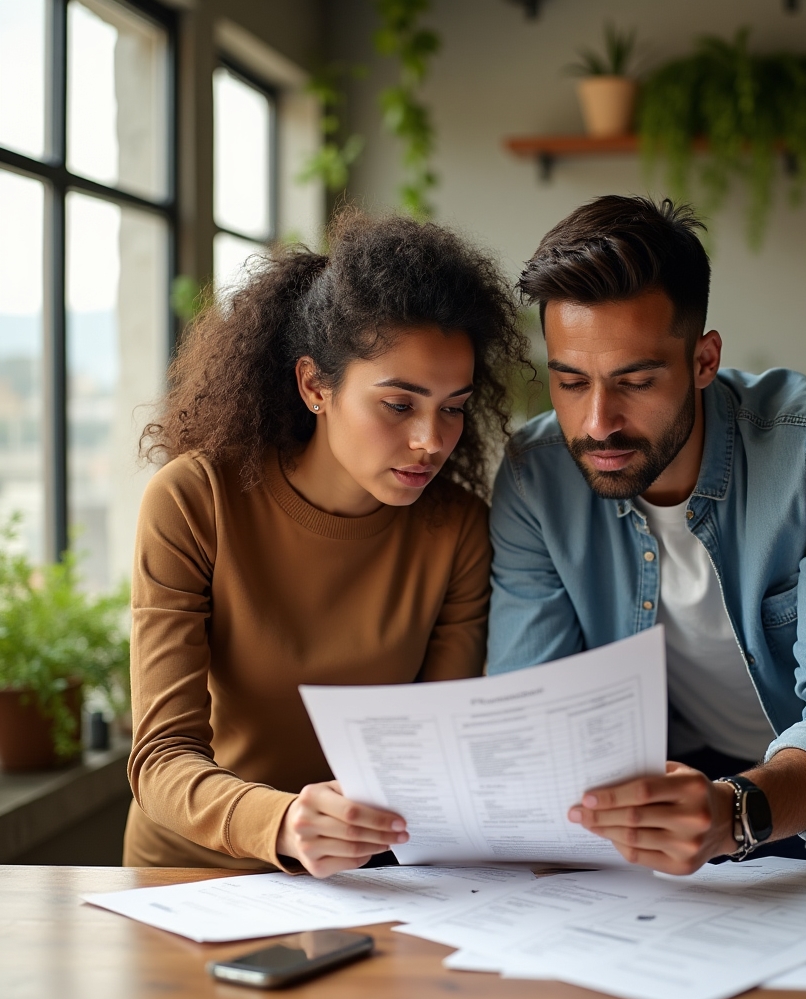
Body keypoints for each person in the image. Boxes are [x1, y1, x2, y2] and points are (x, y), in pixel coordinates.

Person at [488, 195, 806, 873]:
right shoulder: (534, 479)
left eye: (636, 380)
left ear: (703, 359)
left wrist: (737, 814)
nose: (597, 422)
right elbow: (530, 704)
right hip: (689, 808)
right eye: (570, 382)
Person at [126, 210, 528, 878]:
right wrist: (282, 822)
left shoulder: (455, 530)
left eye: (452, 407)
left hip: (368, 878)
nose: (432, 440)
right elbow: (161, 758)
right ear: (316, 385)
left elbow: (432, 753)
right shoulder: (195, 502)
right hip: (193, 874)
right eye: (399, 405)